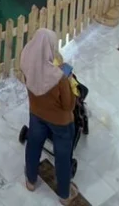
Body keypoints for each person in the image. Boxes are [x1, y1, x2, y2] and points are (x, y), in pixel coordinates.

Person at [20, 27, 78, 203]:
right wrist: (70, 84)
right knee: (62, 155)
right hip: (60, 122)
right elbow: (68, 106)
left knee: (33, 145)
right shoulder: (59, 77)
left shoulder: (26, 62)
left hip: (36, 113)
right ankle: (64, 194)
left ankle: (30, 181)